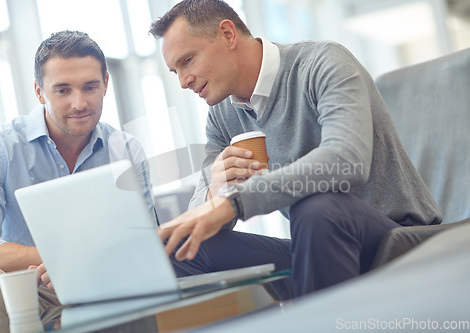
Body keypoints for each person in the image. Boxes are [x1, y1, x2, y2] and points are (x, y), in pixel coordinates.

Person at [149, 0, 442, 297]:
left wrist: (237, 201)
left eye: (188, 60)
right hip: (317, 248)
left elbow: (347, 161)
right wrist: (215, 191)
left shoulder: (322, 62)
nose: (184, 82)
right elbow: (210, 223)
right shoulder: (222, 114)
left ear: (227, 34)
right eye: (175, 71)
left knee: (316, 207)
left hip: (398, 239)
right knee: (181, 246)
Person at [0, 30, 155, 330]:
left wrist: (87, 265)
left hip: (106, 284)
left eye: (90, 87)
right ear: (39, 92)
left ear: (106, 84)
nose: (79, 103)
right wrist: (61, 259)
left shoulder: (127, 152)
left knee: (145, 285)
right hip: (29, 288)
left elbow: (145, 242)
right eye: (63, 90)